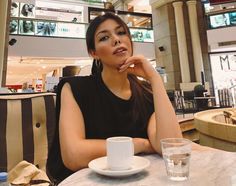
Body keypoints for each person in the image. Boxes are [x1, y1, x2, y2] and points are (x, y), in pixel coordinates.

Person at [47, 12, 182, 183]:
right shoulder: (75, 88)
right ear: (94, 52)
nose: (116, 40)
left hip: (138, 181)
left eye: (121, 32)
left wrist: (154, 78)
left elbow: (173, 147)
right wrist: (141, 144)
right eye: (104, 38)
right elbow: (74, 156)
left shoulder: (146, 92)